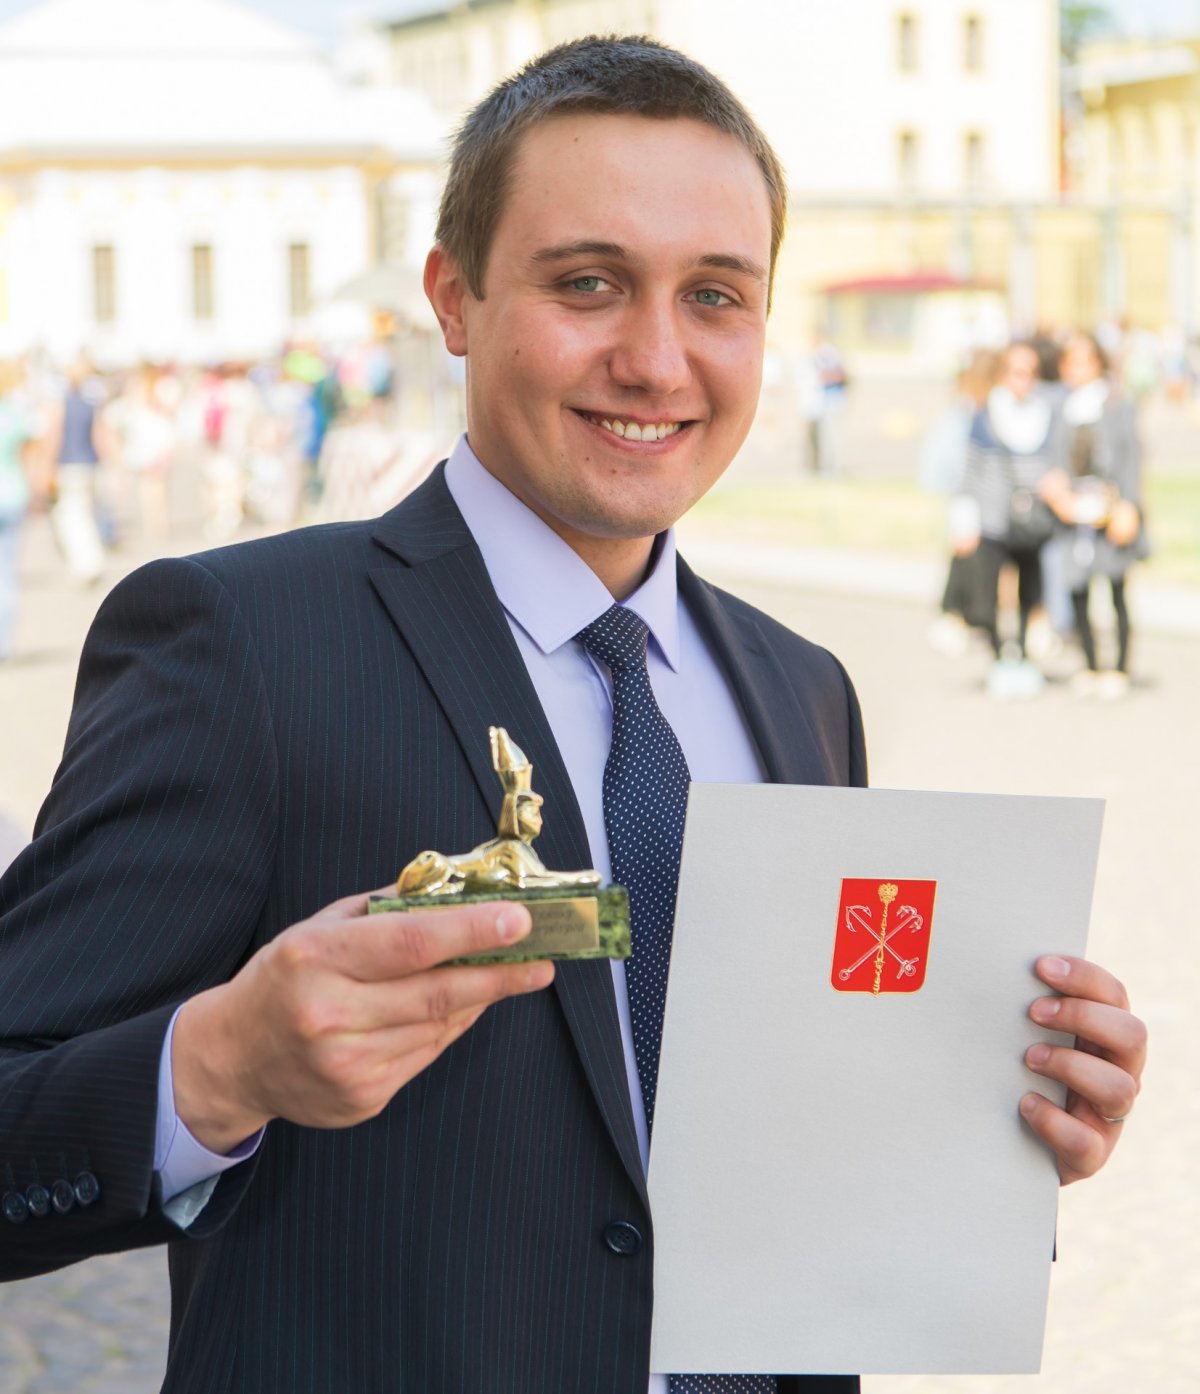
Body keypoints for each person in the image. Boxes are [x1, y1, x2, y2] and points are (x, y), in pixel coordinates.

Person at [0, 36, 1145, 1394]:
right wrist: (216, 1067)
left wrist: (986, 1127)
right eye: (588, 283)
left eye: (716, 296)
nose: (656, 358)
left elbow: (780, 1151)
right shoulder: (240, 640)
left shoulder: (804, 692)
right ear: (455, 296)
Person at [1042, 332, 1148, 698]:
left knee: (1116, 589)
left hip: (1111, 506)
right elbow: (1053, 459)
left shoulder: (1118, 405)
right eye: (1070, 361)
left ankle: (1118, 667)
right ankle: (1089, 663)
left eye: (1084, 361)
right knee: (1078, 589)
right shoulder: (1061, 408)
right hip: (1075, 511)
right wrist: (1057, 491)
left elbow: (1132, 459)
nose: (1077, 369)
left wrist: (1129, 506)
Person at [956, 341, 1060, 698]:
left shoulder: (1045, 413)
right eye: (1018, 371)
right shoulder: (985, 415)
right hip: (992, 519)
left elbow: (1051, 463)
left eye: (1031, 372)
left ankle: (1024, 657)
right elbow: (970, 470)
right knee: (986, 598)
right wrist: (964, 519)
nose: (1024, 379)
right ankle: (999, 654)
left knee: (1031, 594)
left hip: (1031, 520)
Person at [0, 359, 35, 663]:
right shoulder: (14, 413)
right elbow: (28, 454)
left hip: (11, 493)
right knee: (7, 572)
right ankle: (4, 644)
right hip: (12, 492)